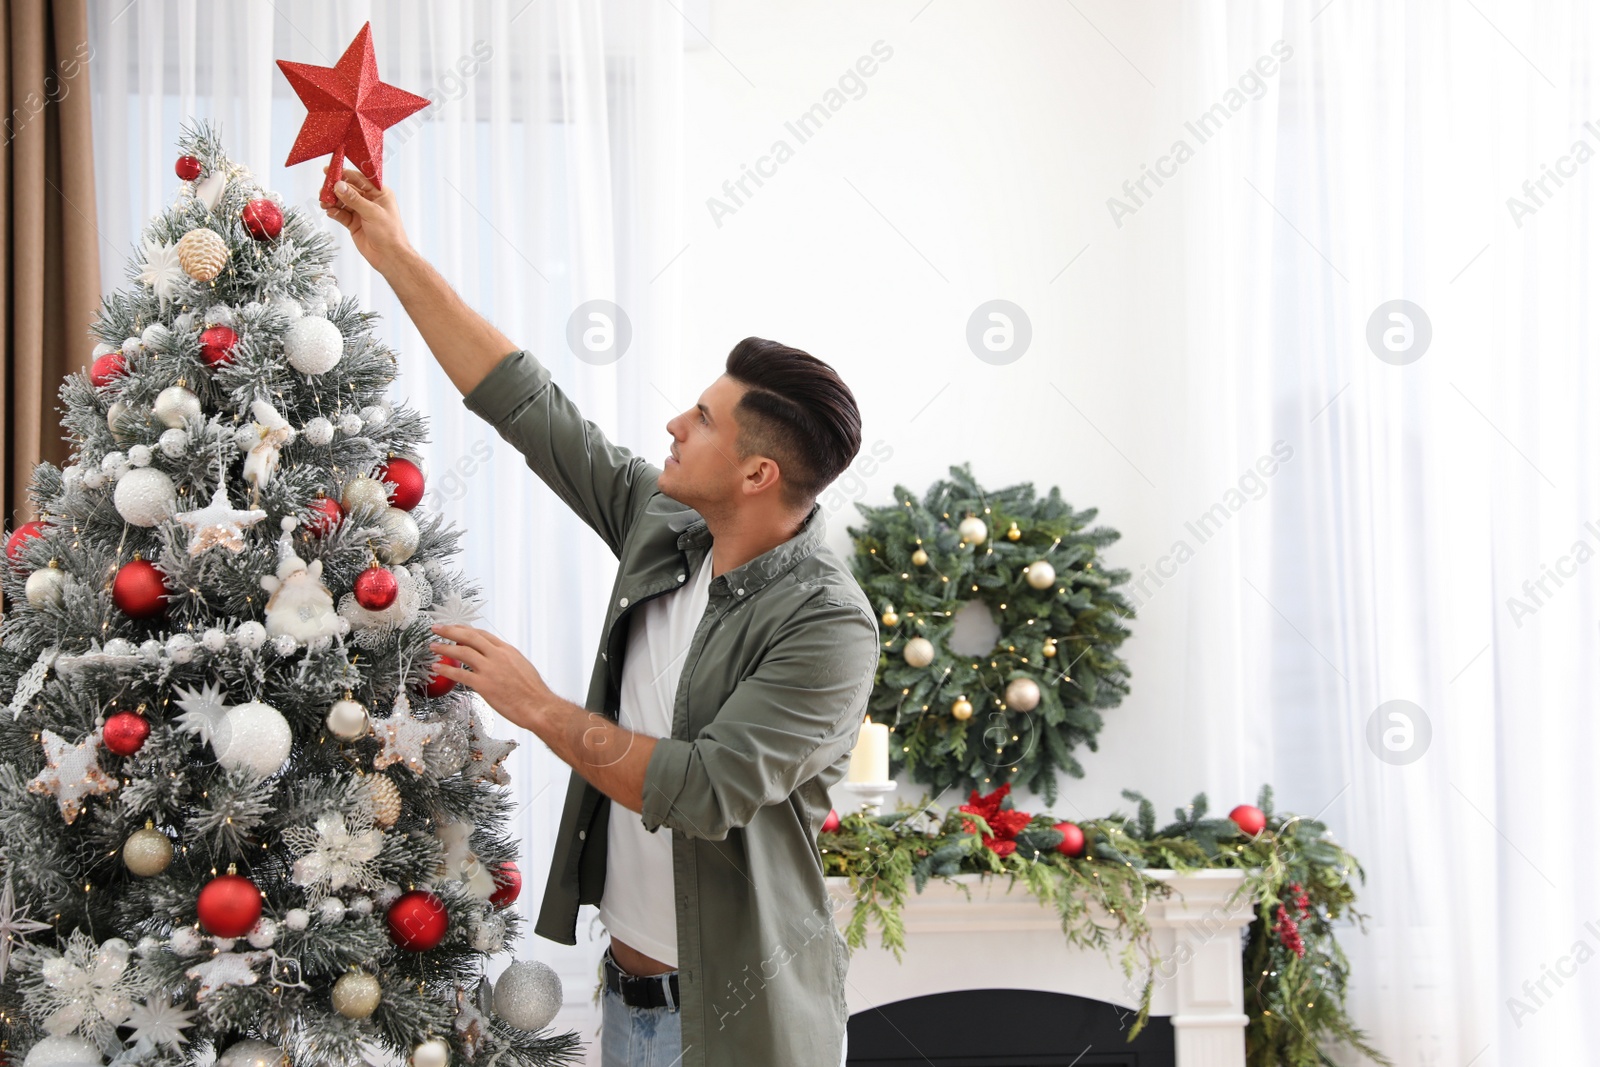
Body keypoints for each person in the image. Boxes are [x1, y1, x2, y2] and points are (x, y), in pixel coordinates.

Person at [324, 166, 875, 1067]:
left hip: (742, 1029)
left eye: (703, 419)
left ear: (758, 474)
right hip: (629, 1000)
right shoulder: (668, 525)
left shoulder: (827, 624)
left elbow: (703, 790)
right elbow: (528, 406)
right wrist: (394, 255)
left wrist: (538, 706)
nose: (676, 422)